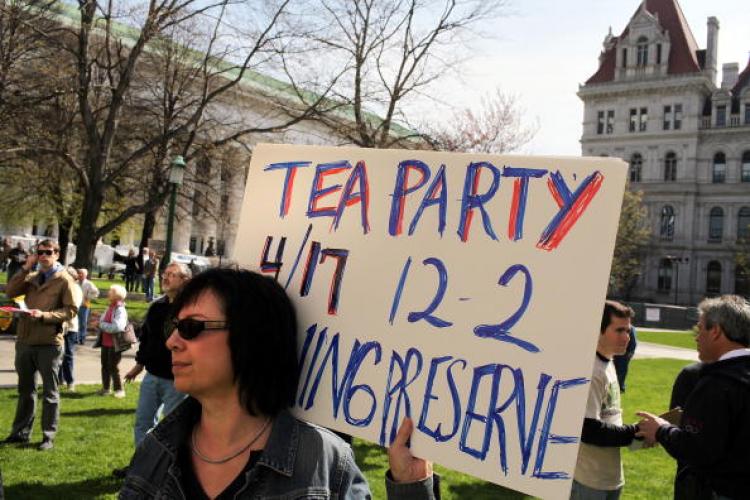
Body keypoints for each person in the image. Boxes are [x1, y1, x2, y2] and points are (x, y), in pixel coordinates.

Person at [120, 268, 437, 499]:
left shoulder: (323, 462)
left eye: (191, 327)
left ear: (251, 337)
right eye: (173, 327)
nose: (173, 341)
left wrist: (411, 488)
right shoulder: (156, 447)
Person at [636, 295, 750, 499]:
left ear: (715, 331)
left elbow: (698, 451)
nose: (696, 337)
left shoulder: (717, 382)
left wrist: (661, 429)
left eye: (700, 329)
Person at [113, 263, 191, 478]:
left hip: (178, 380)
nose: (165, 278)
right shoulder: (157, 307)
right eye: (164, 274)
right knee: (143, 423)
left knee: (173, 428)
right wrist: (138, 366)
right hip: (152, 376)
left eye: (172, 275)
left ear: (185, 280)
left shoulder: (190, 309)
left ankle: (168, 472)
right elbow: (147, 339)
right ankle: (143, 467)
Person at [1, 239, 78, 451]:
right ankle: (20, 433)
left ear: (57, 254)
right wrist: (26, 266)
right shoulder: (32, 277)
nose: (44, 255)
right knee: (26, 390)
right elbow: (10, 292)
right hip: (25, 341)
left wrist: (44, 315)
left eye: (48, 252)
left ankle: (48, 436)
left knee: (50, 393)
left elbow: (70, 310)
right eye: (40, 252)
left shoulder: (64, 280)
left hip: (49, 343)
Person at [571, 300, 641, 500]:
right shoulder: (591, 371)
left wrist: (639, 435)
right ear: (598, 330)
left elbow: (608, 418)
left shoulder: (608, 361)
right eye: (619, 330)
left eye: (628, 330)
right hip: (588, 480)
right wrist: (635, 432)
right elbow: (588, 429)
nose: (627, 337)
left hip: (608, 476)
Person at [96, 284, 129, 398]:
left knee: (113, 367)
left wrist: (100, 325)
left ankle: (119, 389)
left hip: (115, 344)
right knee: (105, 365)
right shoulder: (110, 307)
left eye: (110, 291)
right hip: (106, 342)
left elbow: (117, 327)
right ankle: (106, 389)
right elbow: (104, 322)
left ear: (116, 295)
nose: (108, 293)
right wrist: (100, 323)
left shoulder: (120, 309)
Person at [58, 267, 84, 392]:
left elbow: (73, 308)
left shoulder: (76, 289)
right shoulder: (60, 287)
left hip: (70, 326)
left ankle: (70, 382)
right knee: (57, 353)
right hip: (58, 324)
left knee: (67, 354)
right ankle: (59, 380)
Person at [77, 268, 99, 344]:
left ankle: (82, 339)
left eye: (81, 273)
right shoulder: (75, 282)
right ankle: (76, 338)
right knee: (76, 322)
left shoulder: (89, 283)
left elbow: (96, 293)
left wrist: (88, 296)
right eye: (79, 273)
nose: (79, 275)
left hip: (84, 306)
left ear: (85, 275)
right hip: (75, 305)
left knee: (83, 323)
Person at [612, 325, 637, 392]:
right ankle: (616, 386)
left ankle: (620, 386)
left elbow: (633, 342)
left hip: (625, 353)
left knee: (622, 371)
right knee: (615, 370)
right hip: (616, 353)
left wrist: (630, 352)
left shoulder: (631, 328)